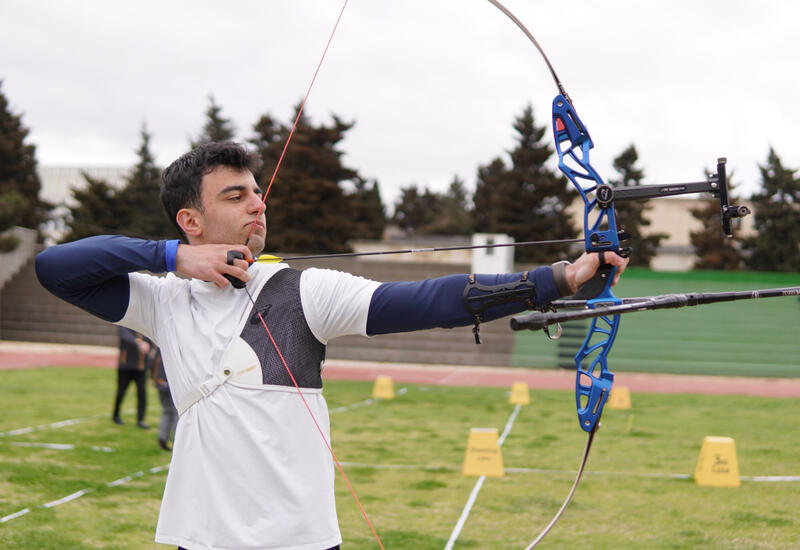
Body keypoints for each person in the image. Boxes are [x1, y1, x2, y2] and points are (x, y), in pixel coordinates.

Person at [35, 142, 628, 550]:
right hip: (205, 535)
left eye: (256, 193)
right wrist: (173, 258)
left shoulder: (303, 291)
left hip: (302, 538)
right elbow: (54, 266)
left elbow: (427, 300)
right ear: (190, 220)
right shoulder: (163, 300)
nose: (257, 203)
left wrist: (558, 279)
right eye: (235, 195)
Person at [112, 326, 151, 429]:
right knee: (121, 392)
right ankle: (115, 415)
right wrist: (139, 342)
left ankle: (140, 420)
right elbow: (125, 336)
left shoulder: (144, 325)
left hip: (141, 367)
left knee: (142, 393)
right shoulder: (125, 325)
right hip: (126, 366)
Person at [151, 347, 178, 451]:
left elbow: (152, 362)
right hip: (171, 382)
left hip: (160, 381)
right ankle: (177, 441)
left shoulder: (160, 345)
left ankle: (162, 438)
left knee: (167, 411)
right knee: (176, 412)